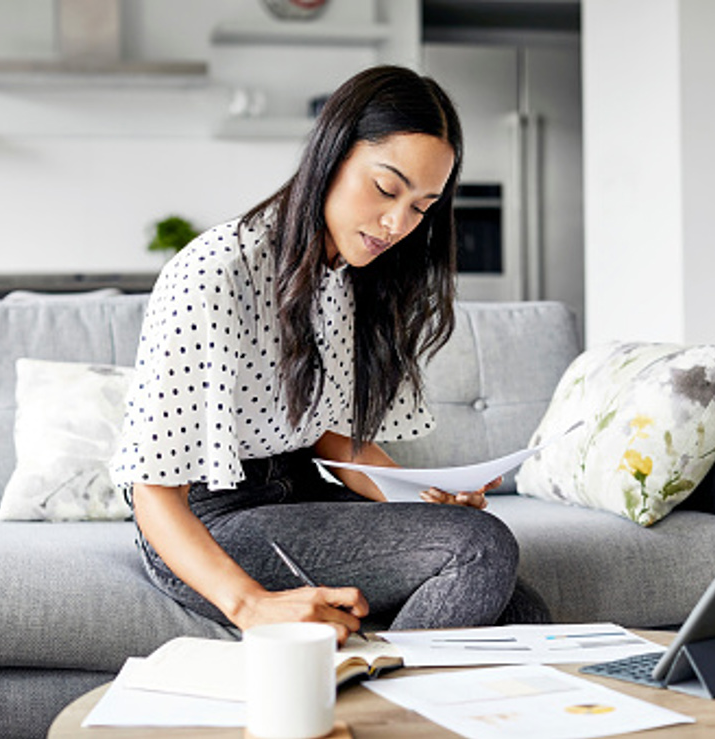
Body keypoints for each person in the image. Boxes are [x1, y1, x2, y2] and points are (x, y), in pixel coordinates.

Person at [110, 65, 549, 644]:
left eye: (422, 207)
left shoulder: (353, 275)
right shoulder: (216, 272)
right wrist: (250, 606)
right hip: (205, 524)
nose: (398, 224)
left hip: (297, 494)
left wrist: (425, 498)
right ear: (331, 156)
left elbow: (331, 438)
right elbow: (153, 491)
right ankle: (370, 710)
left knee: (521, 611)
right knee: (480, 549)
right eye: (387, 189)